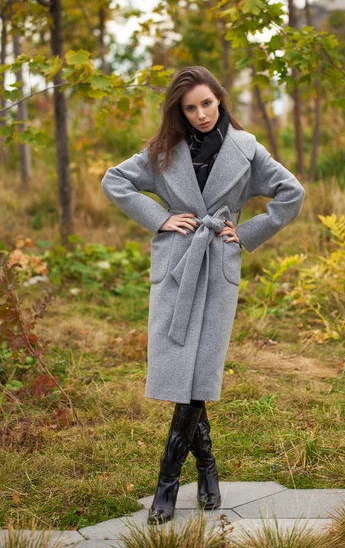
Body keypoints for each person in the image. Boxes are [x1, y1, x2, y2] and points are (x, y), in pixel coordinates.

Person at [101, 66, 305, 525]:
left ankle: (166, 484)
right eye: (190, 108)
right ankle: (207, 472)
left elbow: (291, 193)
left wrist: (248, 232)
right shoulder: (162, 152)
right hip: (176, 264)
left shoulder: (247, 149)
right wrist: (159, 218)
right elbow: (114, 180)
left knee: (200, 370)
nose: (200, 115)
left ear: (219, 99)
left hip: (218, 264)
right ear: (180, 110)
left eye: (206, 104)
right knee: (181, 370)